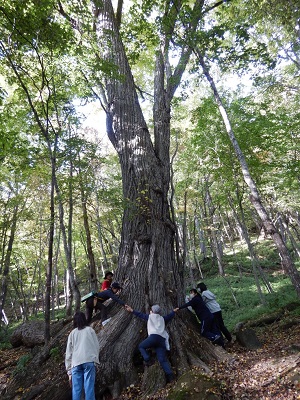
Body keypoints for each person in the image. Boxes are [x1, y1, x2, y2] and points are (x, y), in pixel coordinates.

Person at [125, 304, 175, 383]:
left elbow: (140, 314)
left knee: (141, 346)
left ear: (152, 311)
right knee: (162, 360)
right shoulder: (162, 318)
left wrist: (132, 310)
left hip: (153, 338)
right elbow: (169, 316)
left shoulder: (150, 316)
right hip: (161, 340)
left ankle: (148, 360)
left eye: (151, 310)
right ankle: (170, 376)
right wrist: (173, 312)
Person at [65, 311, 100, 400]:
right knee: (89, 388)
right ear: (84, 319)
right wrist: (95, 360)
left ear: (75, 321)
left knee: (76, 390)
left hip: (75, 363)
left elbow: (69, 353)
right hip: (88, 361)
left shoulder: (72, 333)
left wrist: (69, 371)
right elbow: (96, 346)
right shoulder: (90, 330)